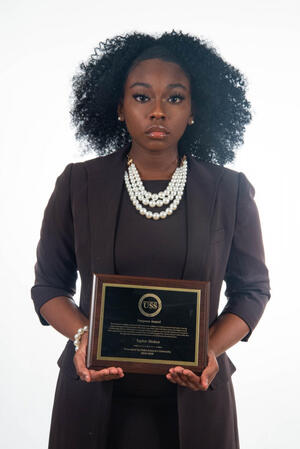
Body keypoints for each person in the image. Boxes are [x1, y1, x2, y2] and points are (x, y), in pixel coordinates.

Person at [31, 31, 270, 449]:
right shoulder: (79, 183)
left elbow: (252, 290)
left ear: (195, 109)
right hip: (92, 399)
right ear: (120, 107)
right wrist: (84, 337)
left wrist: (208, 351)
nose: (158, 111)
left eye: (175, 98)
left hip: (197, 401)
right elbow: (49, 287)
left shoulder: (229, 191)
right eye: (142, 97)